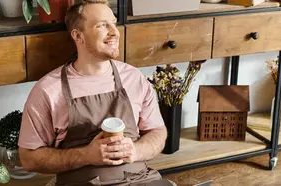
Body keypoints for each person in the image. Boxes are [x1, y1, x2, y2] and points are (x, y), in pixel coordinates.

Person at [17, 0, 176, 185]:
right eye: (102, 25)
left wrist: (136, 151)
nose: (114, 32)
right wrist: (85, 155)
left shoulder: (133, 77)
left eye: (114, 23)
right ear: (78, 36)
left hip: (141, 180)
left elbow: (157, 131)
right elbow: (28, 159)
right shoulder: (48, 90)